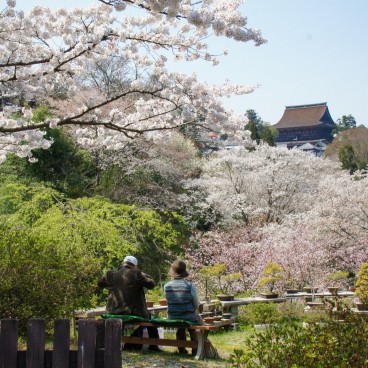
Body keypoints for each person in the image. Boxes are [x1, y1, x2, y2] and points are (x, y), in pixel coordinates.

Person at [98, 255, 160, 351]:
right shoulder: (137, 274)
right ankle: (153, 347)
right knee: (150, 320)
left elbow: (100, 283)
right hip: (133, 312)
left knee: (119, 320)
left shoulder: (110, 274)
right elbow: (151, 284)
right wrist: (142, 274)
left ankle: (116, 345)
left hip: (112, 311)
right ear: (134, 266)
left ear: (122, 263)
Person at [164, 260, 202, 355]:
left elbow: (169, 300)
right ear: (184, 273)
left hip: (173, 316)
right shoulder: (189, 286)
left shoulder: (166, 286)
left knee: (180, 328)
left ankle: (181, 350)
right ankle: (195, 350)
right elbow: (196, 304)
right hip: (188, 316)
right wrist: (192, 311)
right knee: (194, 329)